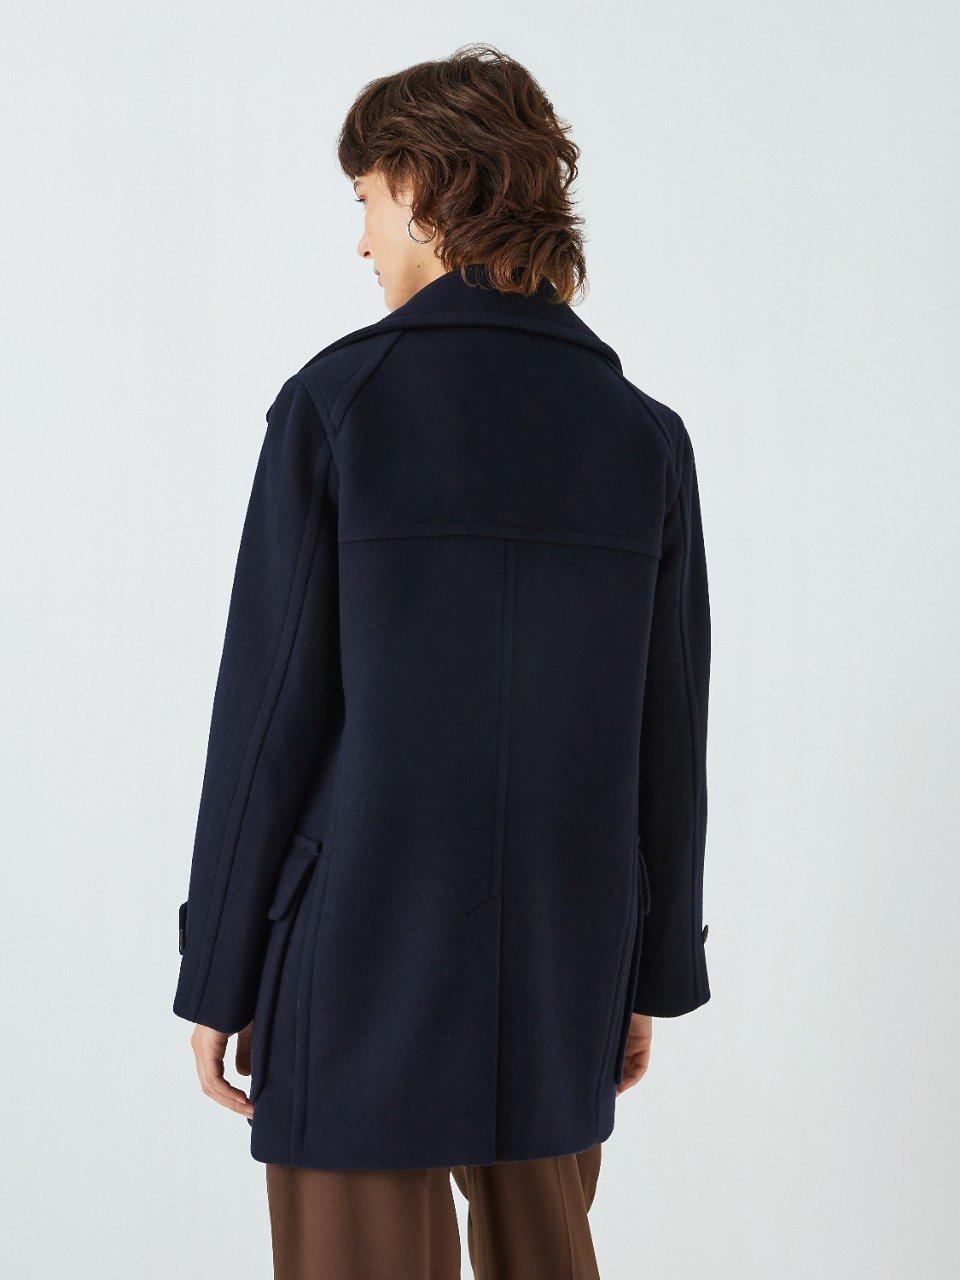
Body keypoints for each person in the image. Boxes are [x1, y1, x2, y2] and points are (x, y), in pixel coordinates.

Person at [173, 44, 711, 1280]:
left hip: (358, 958)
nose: (361, 239)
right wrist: (648, 968)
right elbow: (669, 730)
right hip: (563, 959)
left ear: (419, 185)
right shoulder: (644, 438)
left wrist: (218, 972)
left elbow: (268, 719)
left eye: (365, 198)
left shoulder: (340, 406)